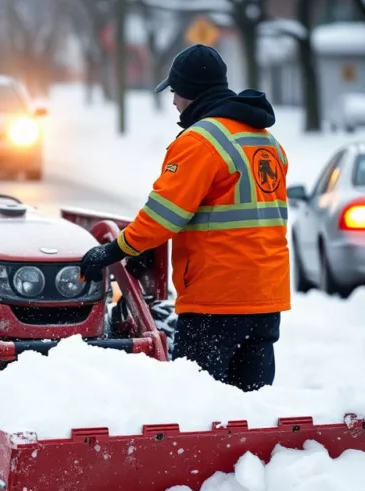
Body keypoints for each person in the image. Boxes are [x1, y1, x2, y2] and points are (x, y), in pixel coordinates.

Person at [80, 44, 290, 392]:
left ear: (190, 92)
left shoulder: (201, 141)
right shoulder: (265, 140)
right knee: (253, 409)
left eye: (175, 92)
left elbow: (164, 215)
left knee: (198, 407)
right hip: (266, 297)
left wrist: (116, 249)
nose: (174, 102)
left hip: (217, 299)